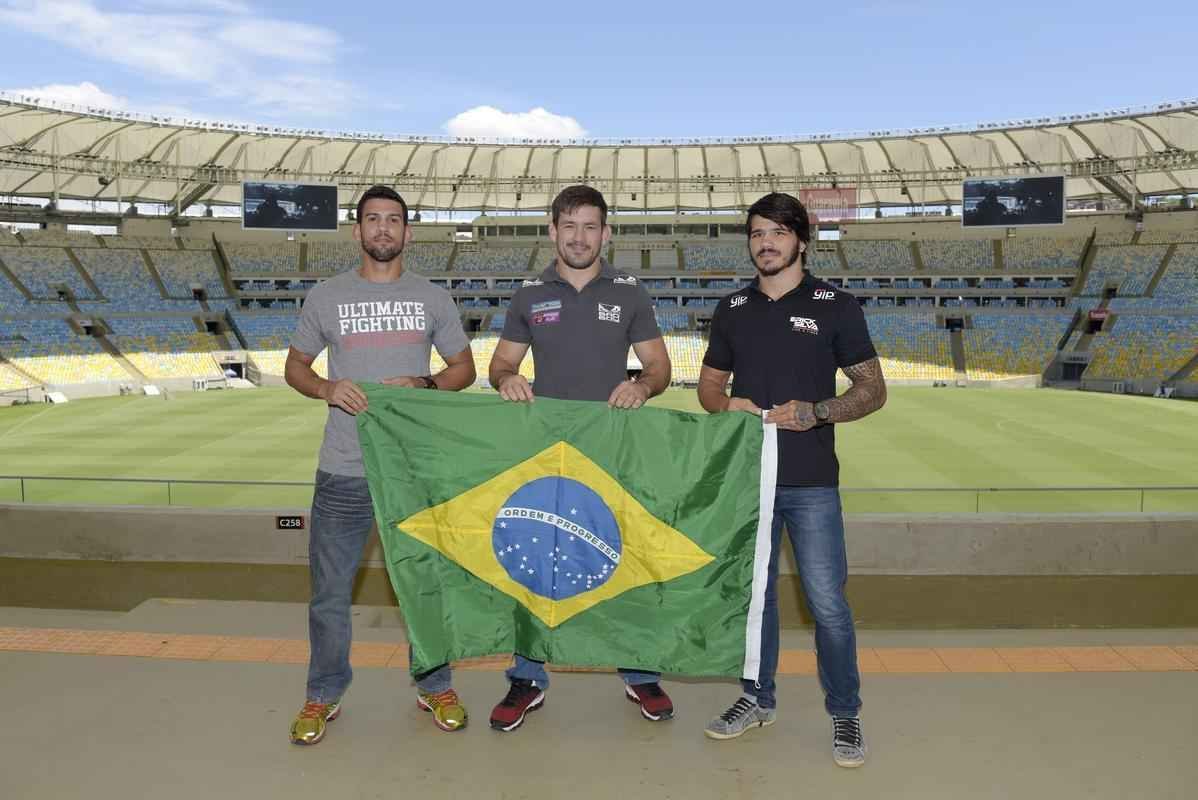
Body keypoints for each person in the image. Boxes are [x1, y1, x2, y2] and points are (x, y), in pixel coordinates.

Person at [697, 192, 886, 768]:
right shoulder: (732, 307)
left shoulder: (836, 304)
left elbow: (872, 390)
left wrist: (817, 412)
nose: (766, 243)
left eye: (778, 232)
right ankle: (757, 698)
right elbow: (708, 389)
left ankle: (846, 713)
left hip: (810, 482)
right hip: (749, 480)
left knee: (827, 602)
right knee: (756, 600)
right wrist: (728, 405)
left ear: (801, 240)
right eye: (757, 233)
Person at [284, 185, 476, 745]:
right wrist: (326, 386)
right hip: (343, 468)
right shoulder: (325, 296)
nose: (384, 230)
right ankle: (322, 693)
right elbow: (295, 368)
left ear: (408, 232)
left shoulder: (433, 298)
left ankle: (435, 683)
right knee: (329, 593)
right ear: (358, 231)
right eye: (374, 220)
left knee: (424, 585)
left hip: (412, 469)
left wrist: (427, 382)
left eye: (394, 220)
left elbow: (463, 369)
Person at [485, 185, 674, 732]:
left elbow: (658, 367)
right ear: (552, 231)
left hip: (614, 452)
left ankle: (639, 670)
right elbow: (499, 365)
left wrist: (642, 387)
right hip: (545, 455)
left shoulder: (631, 294)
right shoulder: (527, 297)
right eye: (569, 226)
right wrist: (508, 378)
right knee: (532, 561)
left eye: (590, 226)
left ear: (606, 233)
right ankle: (526, 677)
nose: (579, 237)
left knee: (626, 557)